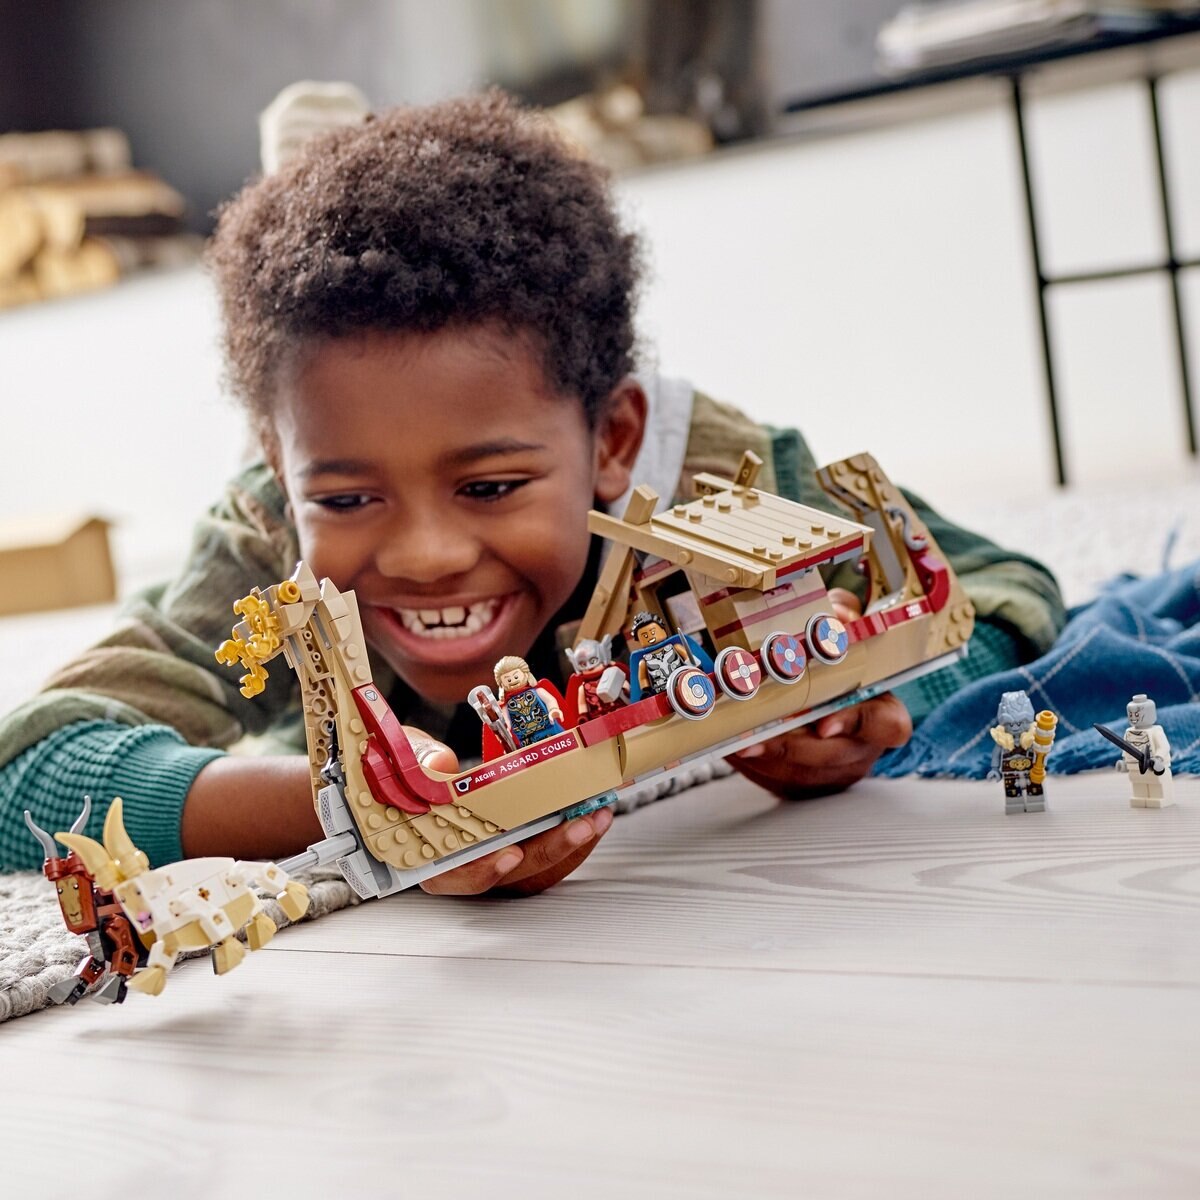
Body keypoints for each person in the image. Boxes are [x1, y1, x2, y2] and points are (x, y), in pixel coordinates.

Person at [0, 91, 1065, 894]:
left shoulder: (705, 475)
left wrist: (855, 708)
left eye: (492, 484)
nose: (425, 554)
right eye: (350, 500)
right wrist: (353, 806)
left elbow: (1001, 588)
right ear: (282, 475)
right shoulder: (268, 540)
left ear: (614, 440)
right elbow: (31, 771)